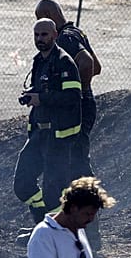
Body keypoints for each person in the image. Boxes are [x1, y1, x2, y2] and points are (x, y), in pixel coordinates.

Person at [36, 0, 103, 253]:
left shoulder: (65, 38)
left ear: (51, 17)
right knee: (75, 162)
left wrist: (77, 91)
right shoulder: (76, 32)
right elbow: (97, 66)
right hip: (84, 105)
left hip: (78, 108)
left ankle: (87, 229)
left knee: (75, 165)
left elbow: (88, 65)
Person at [13, 19, 83, 225]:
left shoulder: (64, 62)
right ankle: (42, 223)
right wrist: (31, 96)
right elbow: (42, 91)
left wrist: (41, 98)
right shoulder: (39, 61)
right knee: (23, 184)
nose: (39, 39)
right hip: (38, 134)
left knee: (54, 192)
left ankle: (59, 233)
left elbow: (72, 96)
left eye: (44, 35)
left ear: (54, 35)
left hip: (59, 138)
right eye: (36, 35)